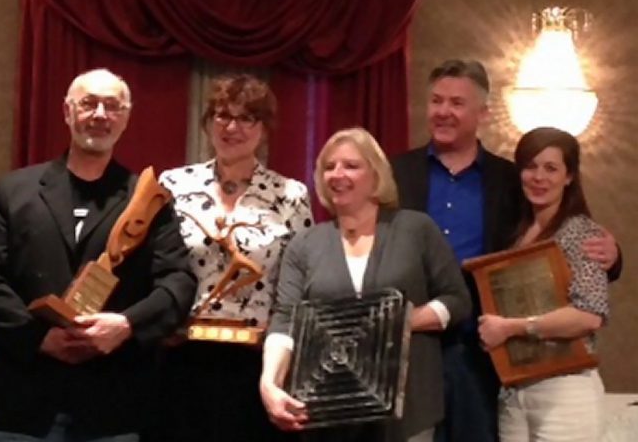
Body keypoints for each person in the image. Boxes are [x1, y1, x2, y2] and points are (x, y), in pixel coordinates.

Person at [390, 59, 621, 442]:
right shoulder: (395, 173)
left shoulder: (511, 180)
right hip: (410, 350)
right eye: (436, 101)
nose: (444, 111)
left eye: (457, 103)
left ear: (482, 112)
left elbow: (558, 237)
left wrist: (613, 255)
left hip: (481, 355)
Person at [0, 68, 197, 442]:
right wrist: (37, 338)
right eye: (89, 103)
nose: (100, 115)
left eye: (113, 106)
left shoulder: (149, 199)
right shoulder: (14, 191)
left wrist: (125, 326)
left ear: (126, 117)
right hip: (25, 398)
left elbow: (179, 282)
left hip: (113, 402)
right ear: (66, 111)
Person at [260, 127, 472, 442]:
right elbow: (285, 320)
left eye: (351, 165)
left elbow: (457, 300)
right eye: (329, 167)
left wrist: (400, 322)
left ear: (376, 175)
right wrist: (269, 382)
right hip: (328, 412)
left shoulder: (416, 229)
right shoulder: (305, 244)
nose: (337, 174)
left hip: (408, 411)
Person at [157, 73, 313, 442]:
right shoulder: (172, 185)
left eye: (247, 118)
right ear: (208, 123)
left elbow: (298, 288)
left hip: (257, 364)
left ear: (265, 127)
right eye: (222, 115)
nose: (232, 127)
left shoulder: (291, 195)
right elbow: (153, 267)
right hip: (180, 356)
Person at [478, 127, 609, 442]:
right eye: (531, 166)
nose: (539, 177)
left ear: (569, 177)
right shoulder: (513, 233)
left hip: (566, 390)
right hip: (514, 390)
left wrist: (510, 328)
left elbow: (590, 315)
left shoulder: (581, 232)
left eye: (551, 168)